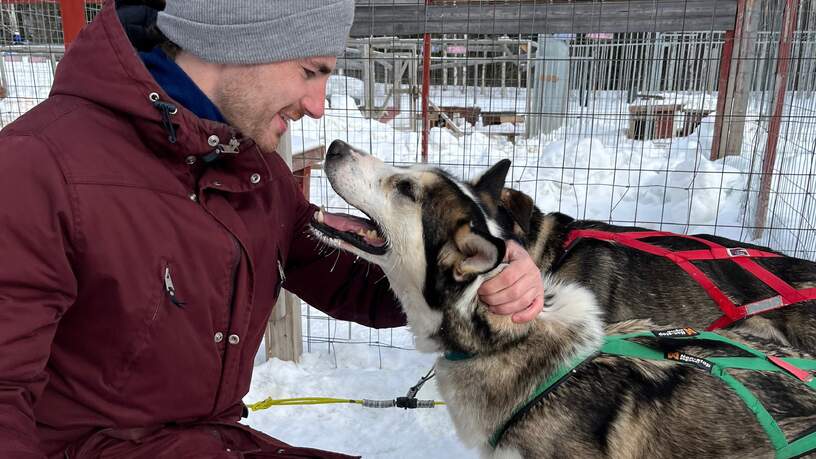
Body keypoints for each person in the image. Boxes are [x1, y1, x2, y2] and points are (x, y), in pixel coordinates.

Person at [0, 1, 545, 457]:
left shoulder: (249, 170)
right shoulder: (37, 170)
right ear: (237, 40)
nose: (317, 104)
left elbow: (357, 278)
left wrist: (473, 275)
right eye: (311, 71)